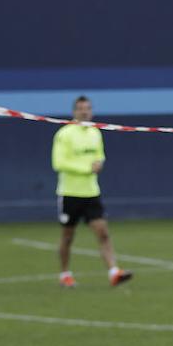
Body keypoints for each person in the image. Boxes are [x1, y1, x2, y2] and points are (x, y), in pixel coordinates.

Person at [50, 95, 133, 288]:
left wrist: (99, 164)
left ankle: (114, 272)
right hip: (70, 193)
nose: (84, 111)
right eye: (80, 108)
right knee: (68, 236)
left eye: (87, 108)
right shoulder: (65, 133)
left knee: (102, 232)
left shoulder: (96, 132)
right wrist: (86, 168)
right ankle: (65, 274)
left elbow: (99, 156)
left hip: (91, 192)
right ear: (74, 112)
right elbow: (58, 163)